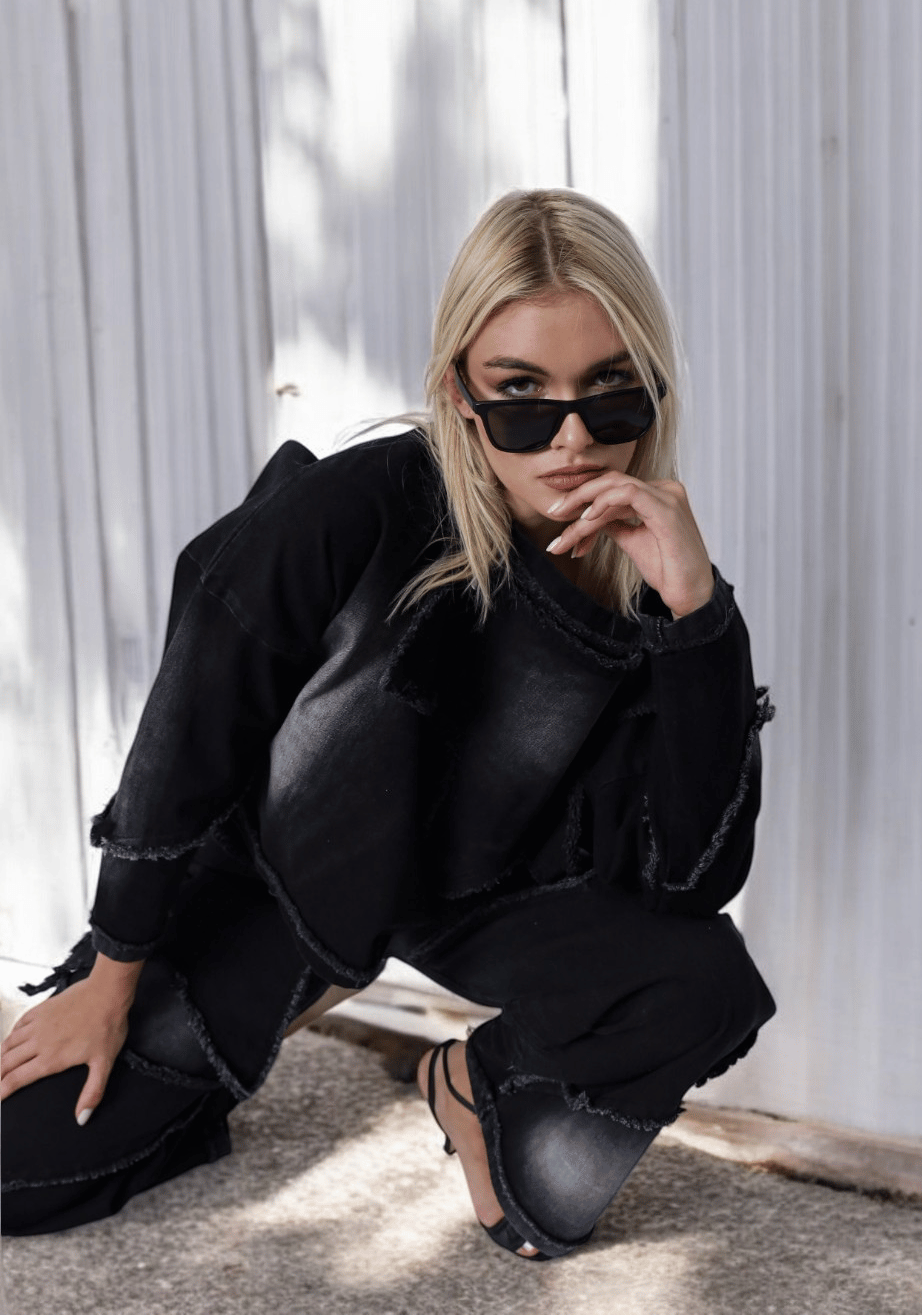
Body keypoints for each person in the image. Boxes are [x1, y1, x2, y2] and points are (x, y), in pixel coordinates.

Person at [1, 188, 776, 1258]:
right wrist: (113, 975)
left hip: (475, 893)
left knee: (701, 998)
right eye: (521, 395)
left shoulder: (651, 575)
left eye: (610, 393)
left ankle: (474, 1083)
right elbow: (187, 736)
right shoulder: (356, 508)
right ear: (459, 389)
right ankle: (189, 1099)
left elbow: (691, 882)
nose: (571, 439)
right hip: (285, 878)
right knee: (22, 1173)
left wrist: (698, 619)